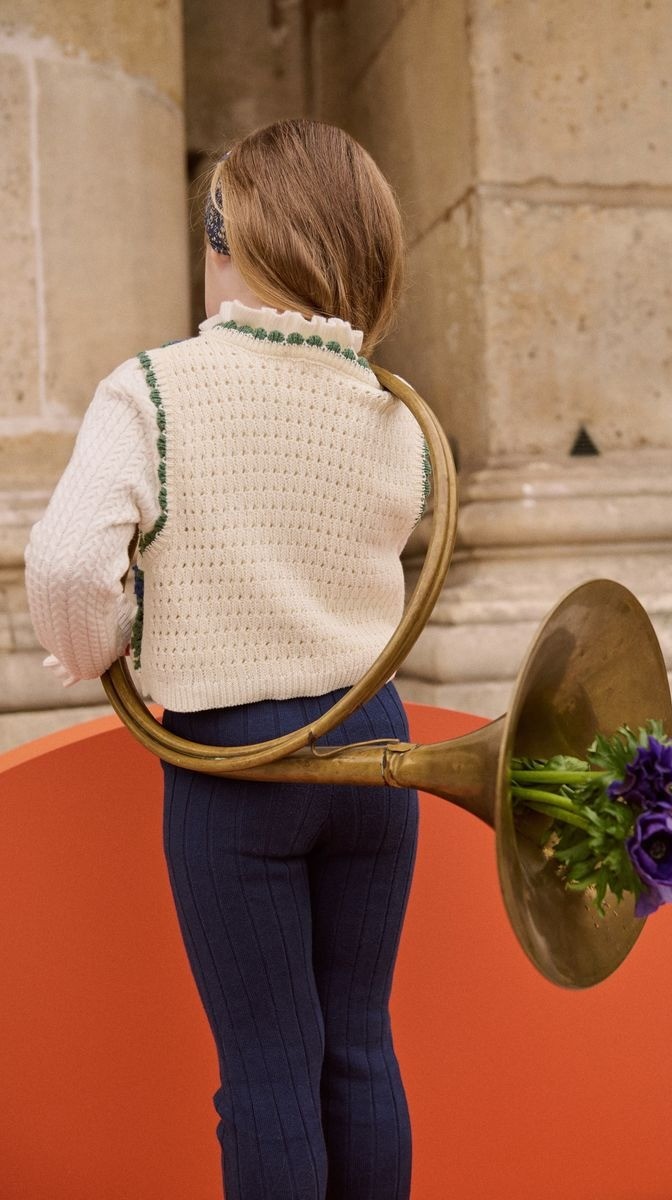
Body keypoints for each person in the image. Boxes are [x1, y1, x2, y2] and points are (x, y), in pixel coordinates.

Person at [24, 118, 430, 1200]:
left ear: (223, 233)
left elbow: (65, 569)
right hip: (377, 747)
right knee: (361, 1045)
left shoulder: (156, 388)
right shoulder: (392, 413)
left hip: (236, 757)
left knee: (266, 1068)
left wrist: (106, 644)